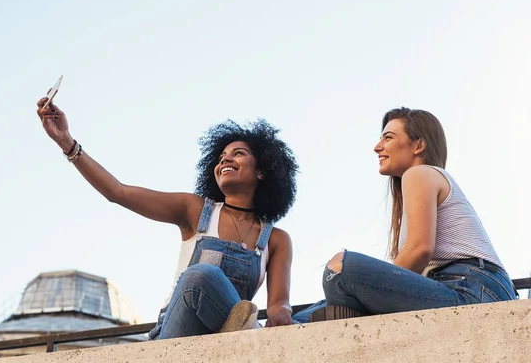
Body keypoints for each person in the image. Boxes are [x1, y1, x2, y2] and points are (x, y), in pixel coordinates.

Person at [36, 95, 298, 339]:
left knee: (313, 311)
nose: (225, 159)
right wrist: (66, 142)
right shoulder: (194, 210)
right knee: (201, 276)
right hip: (179, 331)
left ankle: (243, 330)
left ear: (263, 171)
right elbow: (118, 192)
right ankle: (249, 331)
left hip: (223, 338)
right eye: (221, 157)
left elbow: (278, 305)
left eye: (238, 153)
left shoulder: (275, 240)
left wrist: (284, 312)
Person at [293, 107, 517, 323]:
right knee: (304, 318)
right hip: (465, 289)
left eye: (387, 138)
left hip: (472, 290)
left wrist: (371, 291)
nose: (377, 147)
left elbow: (420, 248)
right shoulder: (420, 181)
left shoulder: (420, 173)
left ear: (418, 145)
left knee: (341, 270)